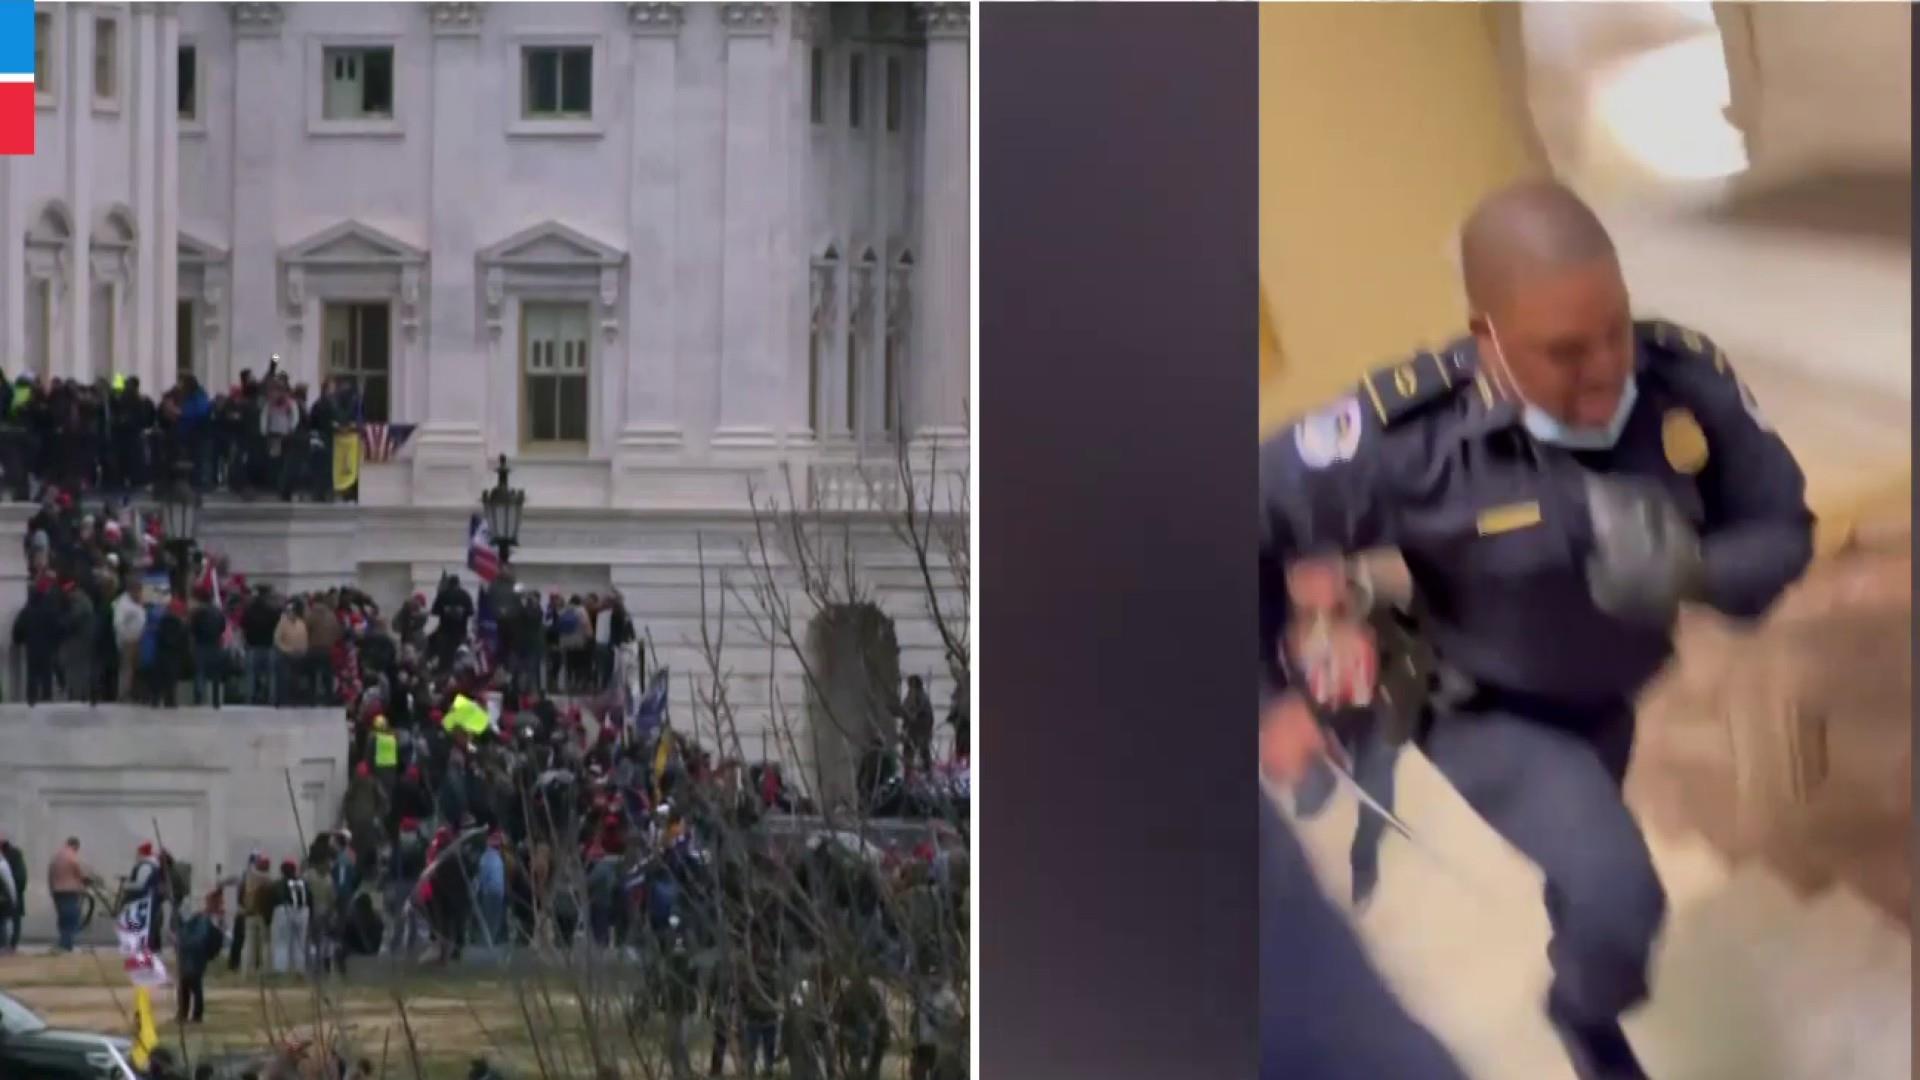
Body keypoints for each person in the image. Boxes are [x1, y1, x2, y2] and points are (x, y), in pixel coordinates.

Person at [1258, 181, 1813, 1080]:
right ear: (1488, 340)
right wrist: (1271, 691)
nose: (1605, 371)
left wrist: (1696, 572)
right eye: (1564, 351)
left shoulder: (1681, 381)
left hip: (1614, 694)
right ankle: (1581, 1015)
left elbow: (1784, 532)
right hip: (1488, 710)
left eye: (1615, 331)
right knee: (1619, 896)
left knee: (1588, 869)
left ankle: (1586, 951)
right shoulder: (1408, 442)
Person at [175, 899, 227, 1024]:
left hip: (191, 955)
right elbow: (214, 940)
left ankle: (188, 1014)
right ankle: (190, 1014)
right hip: (194, 956)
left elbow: (193, 939)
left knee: (189, 985)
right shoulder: (204, 922)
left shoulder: (200, 922)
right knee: (190, 986)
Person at [47, 836, 92, 952]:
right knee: (71, 918)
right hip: (70, 892)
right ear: (76, 846)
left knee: (62, 918)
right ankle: (66, 944)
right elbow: (80, 873)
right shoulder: (72, 857)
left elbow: (50, 874)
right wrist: (85, 880)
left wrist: (52, 890)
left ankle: (63, 941)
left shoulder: (56, 856)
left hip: (57, 892)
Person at [0, 830, 24, 952]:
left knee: (8, 921)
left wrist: (14, 895)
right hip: (6, 896)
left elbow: (16, 879)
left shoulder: (13, 855)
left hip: (6, 896)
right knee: (2, 922)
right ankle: (3, 947)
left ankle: (9, 946)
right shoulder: (4, 862)